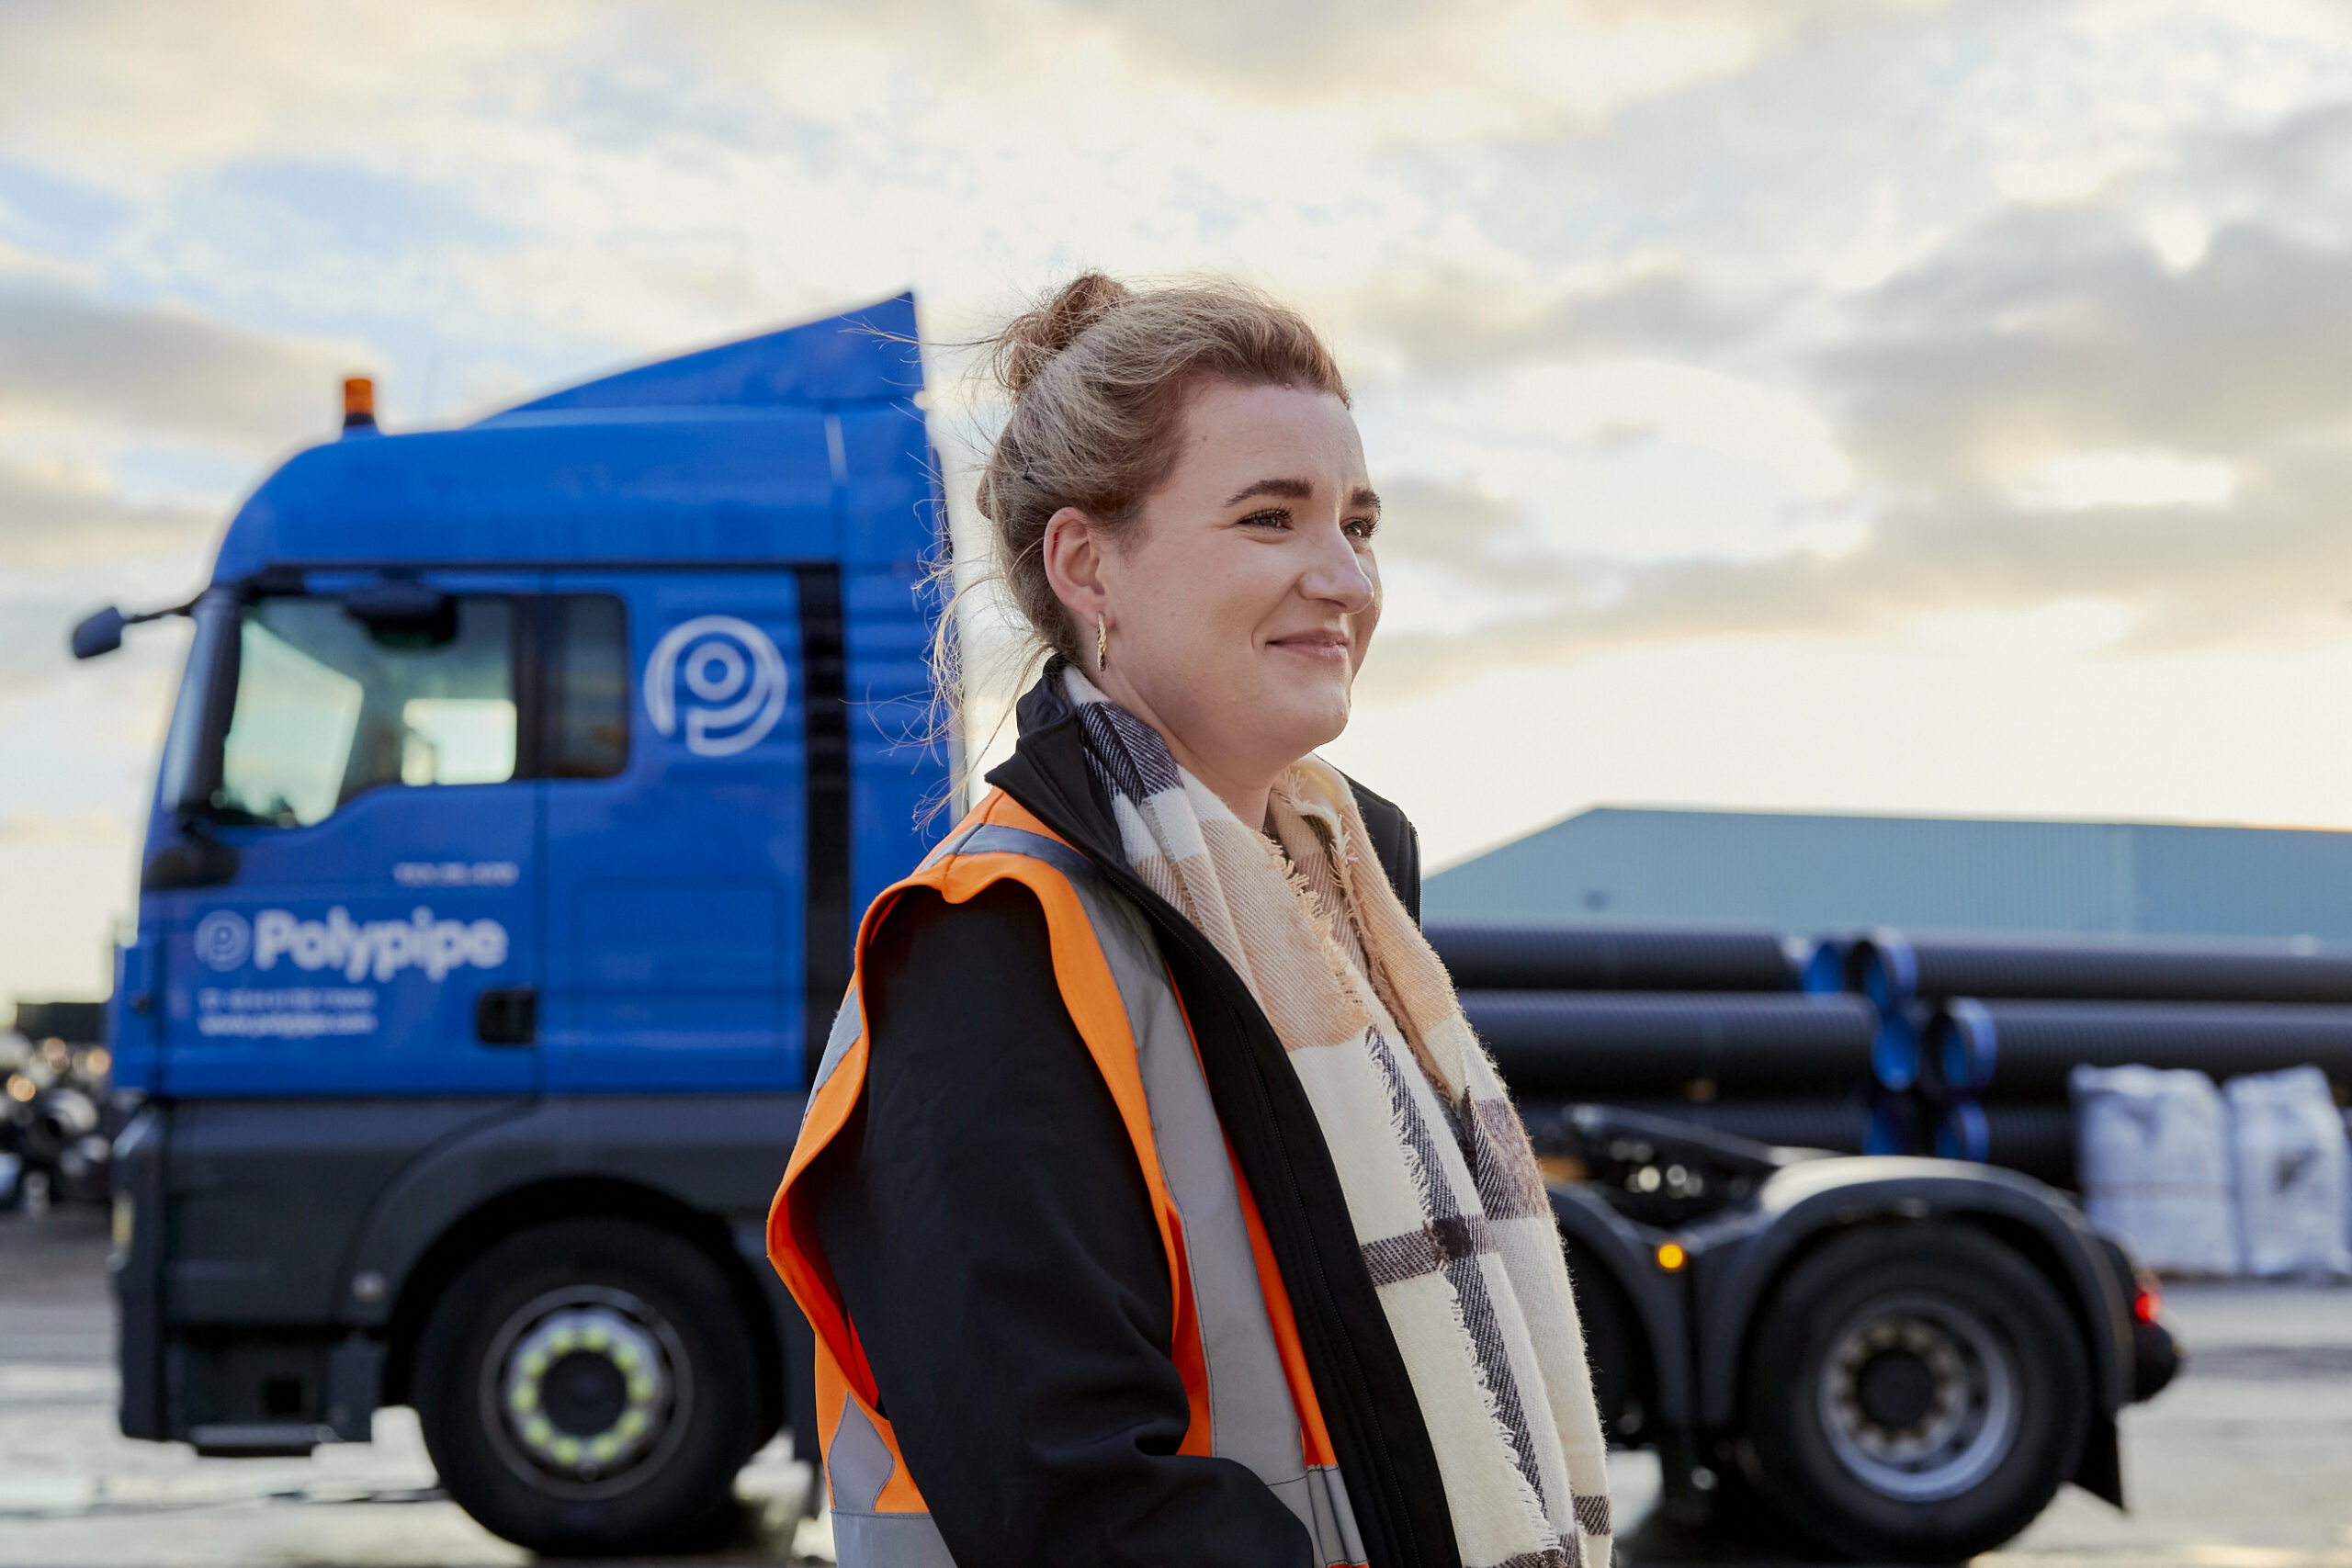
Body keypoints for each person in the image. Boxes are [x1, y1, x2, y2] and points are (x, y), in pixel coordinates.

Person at [767, 274, 1612, 1568]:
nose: (1345, 578)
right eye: (1271, 518)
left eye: (1358, 524)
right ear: (1087, 564)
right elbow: (1079, 1507)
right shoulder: (991, 941)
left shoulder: (1348, 907)